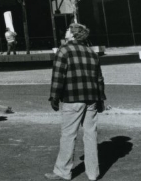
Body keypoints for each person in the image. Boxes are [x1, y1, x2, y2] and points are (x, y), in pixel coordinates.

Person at [46, 23, 105, 181]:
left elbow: (58, 77)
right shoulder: (92, 53)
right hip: (91, 98)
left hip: (72, 98)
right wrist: (101, 99)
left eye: (67, 30)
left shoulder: (64, 50)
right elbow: (99, 79)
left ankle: (62, 171)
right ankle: (93, 173)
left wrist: (54, 97)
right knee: (91, 135)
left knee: (68, 135)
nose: (65, 32)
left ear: (72, 35)